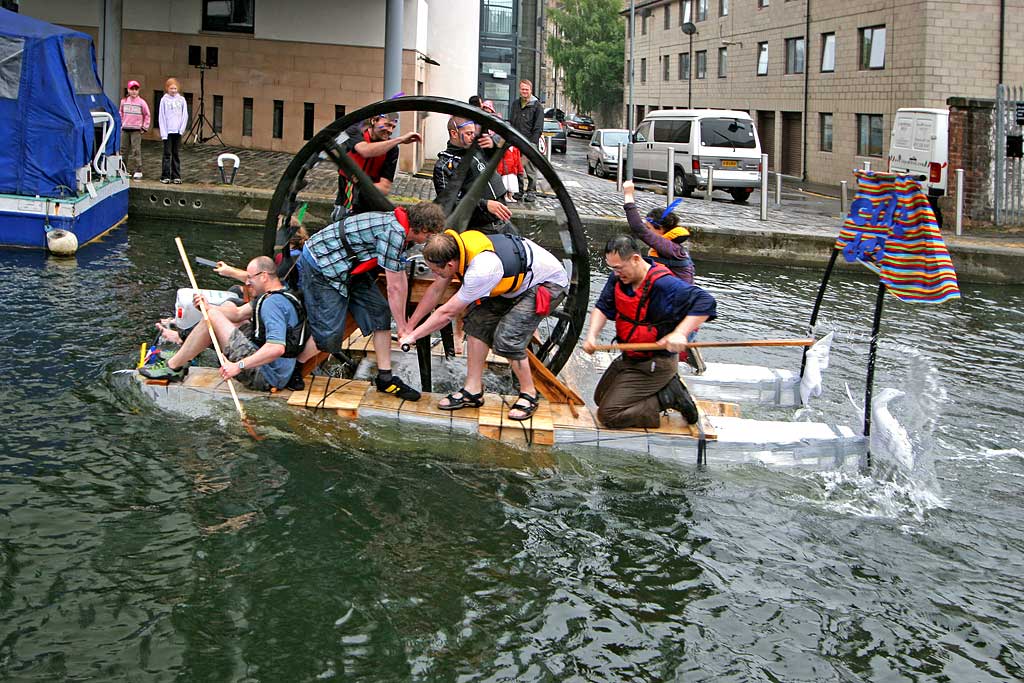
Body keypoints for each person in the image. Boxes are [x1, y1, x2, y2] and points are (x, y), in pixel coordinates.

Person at [398, 229, 569, 421]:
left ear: (450, 264)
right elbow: (435, 290)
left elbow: (447, 313)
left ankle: (529, 394)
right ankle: (473, 391)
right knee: (476, 323)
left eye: (437, 271)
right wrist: (410, 326)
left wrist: (414, 336)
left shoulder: (480, 271)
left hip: (546, 283)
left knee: (507, 338)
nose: (435, 274)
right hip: (515, 281)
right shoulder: (453, 249)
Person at [297, 202, 448, 401]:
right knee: (328, 336)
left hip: (348, 265)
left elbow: (400, 277)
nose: (425, 242)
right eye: (427, 237)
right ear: (419, 229)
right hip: (322, 264)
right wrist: (402, 327)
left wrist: (403, 325)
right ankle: (293, 368)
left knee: (380, 313)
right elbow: (393, 288)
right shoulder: (394, 232)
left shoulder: (403, 232)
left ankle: (385, 378)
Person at [582, 236, 717, 428]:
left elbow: (706, 302)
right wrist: (591, 336)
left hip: (656, 363)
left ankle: (666, 397)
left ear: (636, 259)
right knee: (600, 398)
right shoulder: (618, 279)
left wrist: (680, 333)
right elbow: (602, 307)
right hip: (631, 358)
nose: (616, 273)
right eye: (612, 268)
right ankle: (665, 389)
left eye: (619, 268)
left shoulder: (665, 285)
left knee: (608, 414)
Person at [140, 257, 309, 391]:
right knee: (223, 310)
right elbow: (237, 314)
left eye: (250, 278)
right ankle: (184, 356)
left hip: (267, 375)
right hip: (273, 368)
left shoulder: (272, 305)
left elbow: (276, 348)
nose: (247, 283)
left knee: (213, 318)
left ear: (264, 276)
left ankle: (173, 367)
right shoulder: (278, 294)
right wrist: (207, 307)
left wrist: (238, 366)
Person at [332, 114, 421, 221]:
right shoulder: (355, 132)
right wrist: (400, 139)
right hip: (346, 198)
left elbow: (385, 187)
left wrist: (361, 183)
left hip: (369, 202)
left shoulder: (392, 150)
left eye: (393, 127)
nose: (390, 130)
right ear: (373, 120)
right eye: (387, 125)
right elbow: (365, 150)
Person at [433, 115, 512, 231]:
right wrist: (485, 205)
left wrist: (492, 145)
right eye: (468, 134)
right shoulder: (443, 165)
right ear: (454, 134)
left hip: (502, 220)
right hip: (477, 228)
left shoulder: (477, 148)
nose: (472, 137)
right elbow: (449, 203)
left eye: (474, 133)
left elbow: (506, 131)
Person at [623, 181, 695, 284]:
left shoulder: (670, 247)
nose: (647, 231)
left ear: (660, 229)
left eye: (648, 228)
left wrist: (628, 194)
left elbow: (638, 228)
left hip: (677, 298)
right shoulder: (669, 244)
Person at [508, 79, 544, 203]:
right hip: (516, 142)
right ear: (519, 90)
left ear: (531, 90)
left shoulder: (537, 106)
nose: (524, 91)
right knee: (517, 167)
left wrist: (532, 143)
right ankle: (519, 190)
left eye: (526, 89)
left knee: (530, 169)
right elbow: (512, 122)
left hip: (529, 142)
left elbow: (538, 127)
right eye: (522, 89)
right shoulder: (515, 104)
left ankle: (531, 191)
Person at [158, 78, 187, 184]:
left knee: (176, 153)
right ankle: (165, 175)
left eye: (175, 88)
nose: (173, 90)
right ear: (167, 88)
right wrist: (164, 132)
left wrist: (181, 129)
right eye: (171, 88)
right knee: (167, 153)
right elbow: (161, 116)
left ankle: (176, 175)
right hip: (168, 131)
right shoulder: (164, 100)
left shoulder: (181, 100)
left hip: (177, 131)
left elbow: (185, 115)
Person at [119, 80, 150, 180]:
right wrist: (121, 124)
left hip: (136, 129)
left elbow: (147, 115)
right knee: (123, 150)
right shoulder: (124, 101)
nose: (134, 91)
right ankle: (123, 169)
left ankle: (138, 170)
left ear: (139, 90)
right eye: (132, 89)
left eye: (136, 89)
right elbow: (120, 113)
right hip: (125, 128)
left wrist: (144, 127)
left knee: (136, 150)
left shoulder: (142, 102)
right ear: (128, 90)